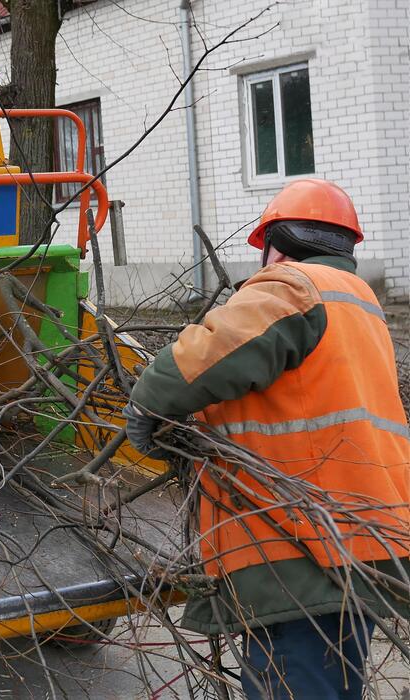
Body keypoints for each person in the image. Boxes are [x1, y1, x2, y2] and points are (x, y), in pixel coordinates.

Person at [123, 179, 410, 699]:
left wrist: (145, 412)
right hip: (361, 538)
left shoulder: (292, 286)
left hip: (295, 547)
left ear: (275, 243)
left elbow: (202, 358)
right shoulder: (362, 304)